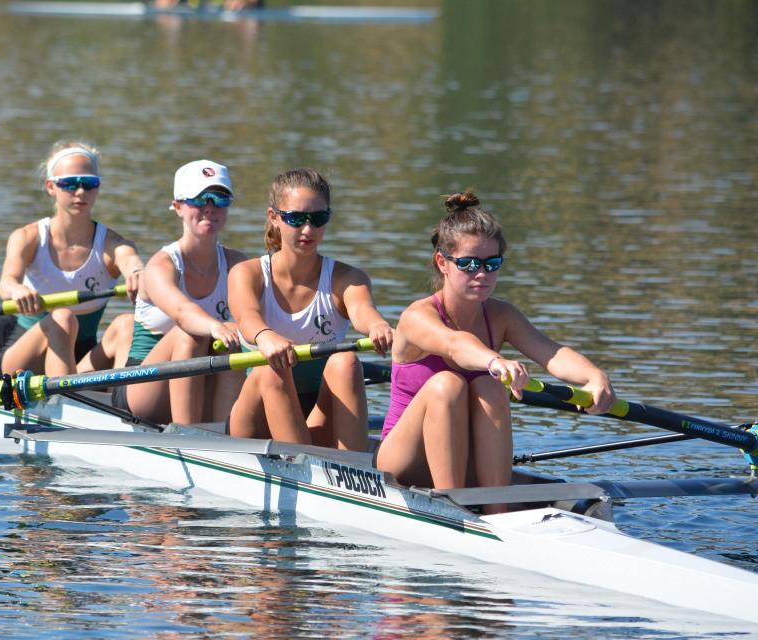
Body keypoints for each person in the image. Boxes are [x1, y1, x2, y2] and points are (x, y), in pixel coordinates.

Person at [375, 191, 616, 513]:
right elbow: (454, 344)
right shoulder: (418, 317)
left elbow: (552, 353)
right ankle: (451, 508)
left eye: (492, 264)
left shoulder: (502, 316)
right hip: (403, 461)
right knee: (448, 383)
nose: (482, 274)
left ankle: (496, 511)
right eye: (469, 264)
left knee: (489, 384)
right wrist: (495, 360)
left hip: (465, 459)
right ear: (442, 263)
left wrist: (595, 377)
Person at [227, 168, 393, 451]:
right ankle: (305, 471)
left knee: (346, 362)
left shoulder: (347, 277)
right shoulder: (247, 273)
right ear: (274, 218)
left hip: (317, 414)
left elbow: (362, 309)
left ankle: (351, 470)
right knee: (271, 369)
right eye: (295, 219)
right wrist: (266, 336)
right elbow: (247, 317)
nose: (308, 229)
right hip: (256, 421)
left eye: (318, 219)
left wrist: (378, 326)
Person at [0, 141, 144, 379]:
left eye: (89, 183)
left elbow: (130, 259)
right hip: (21, 362)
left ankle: (124, 406)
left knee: (127, 323)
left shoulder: (111, 244)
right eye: (70, 184)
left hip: (80, 363)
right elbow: (5, 284)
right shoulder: (27, 238)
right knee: (62, 317)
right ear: (51, 187)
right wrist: (17, 290)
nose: (80, 192)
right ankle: (68, 402)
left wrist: (137, 273)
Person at [114, 160, 246, 424]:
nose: (209, 207)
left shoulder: (238, 264)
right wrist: (216, 327)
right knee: (193, 333)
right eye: (199, 199)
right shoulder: (160, 266)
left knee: (233, 339)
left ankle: (229, 437)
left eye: (219, 198)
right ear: (178, 207)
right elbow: (183, 313)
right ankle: (187, 436)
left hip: (204, 383)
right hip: (143, 388)